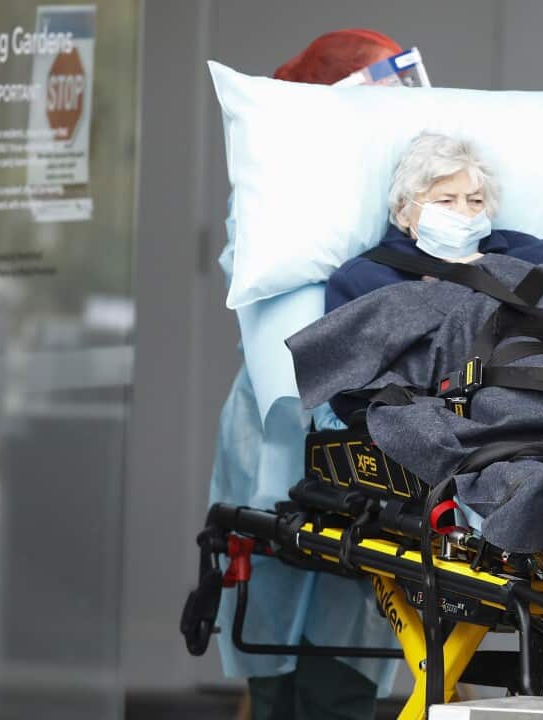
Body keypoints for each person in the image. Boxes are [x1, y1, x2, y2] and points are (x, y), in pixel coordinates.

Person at [212, 28, 406, 720]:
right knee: (269, 634)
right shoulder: (279, 192)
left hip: (367, 426)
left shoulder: (416, 185)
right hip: (280, 422)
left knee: (350, 634)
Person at [324, 131, 543, 316]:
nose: (464, 212)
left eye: (475, 200)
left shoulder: (522, 250)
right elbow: (346, 367)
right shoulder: (363, 279)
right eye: (445, 201)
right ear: (403, 211)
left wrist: (484, 268)